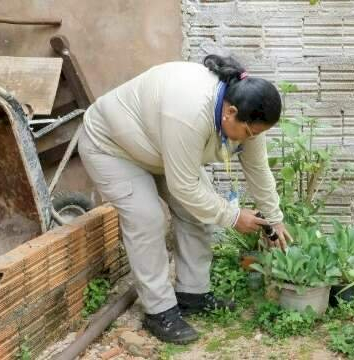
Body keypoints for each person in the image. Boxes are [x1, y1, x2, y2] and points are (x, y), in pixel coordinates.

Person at [78, 55, 292, 344]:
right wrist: (232, 216)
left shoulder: (249, 118)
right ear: (230, 112)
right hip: (112, 147)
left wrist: (275, 218)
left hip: (158, 149)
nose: (250, 139)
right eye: (248, 133)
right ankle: (159, 311)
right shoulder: (189, 112)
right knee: (147, 218)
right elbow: (184, 187)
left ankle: (193, 294)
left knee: (198, 212)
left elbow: (258, 168)